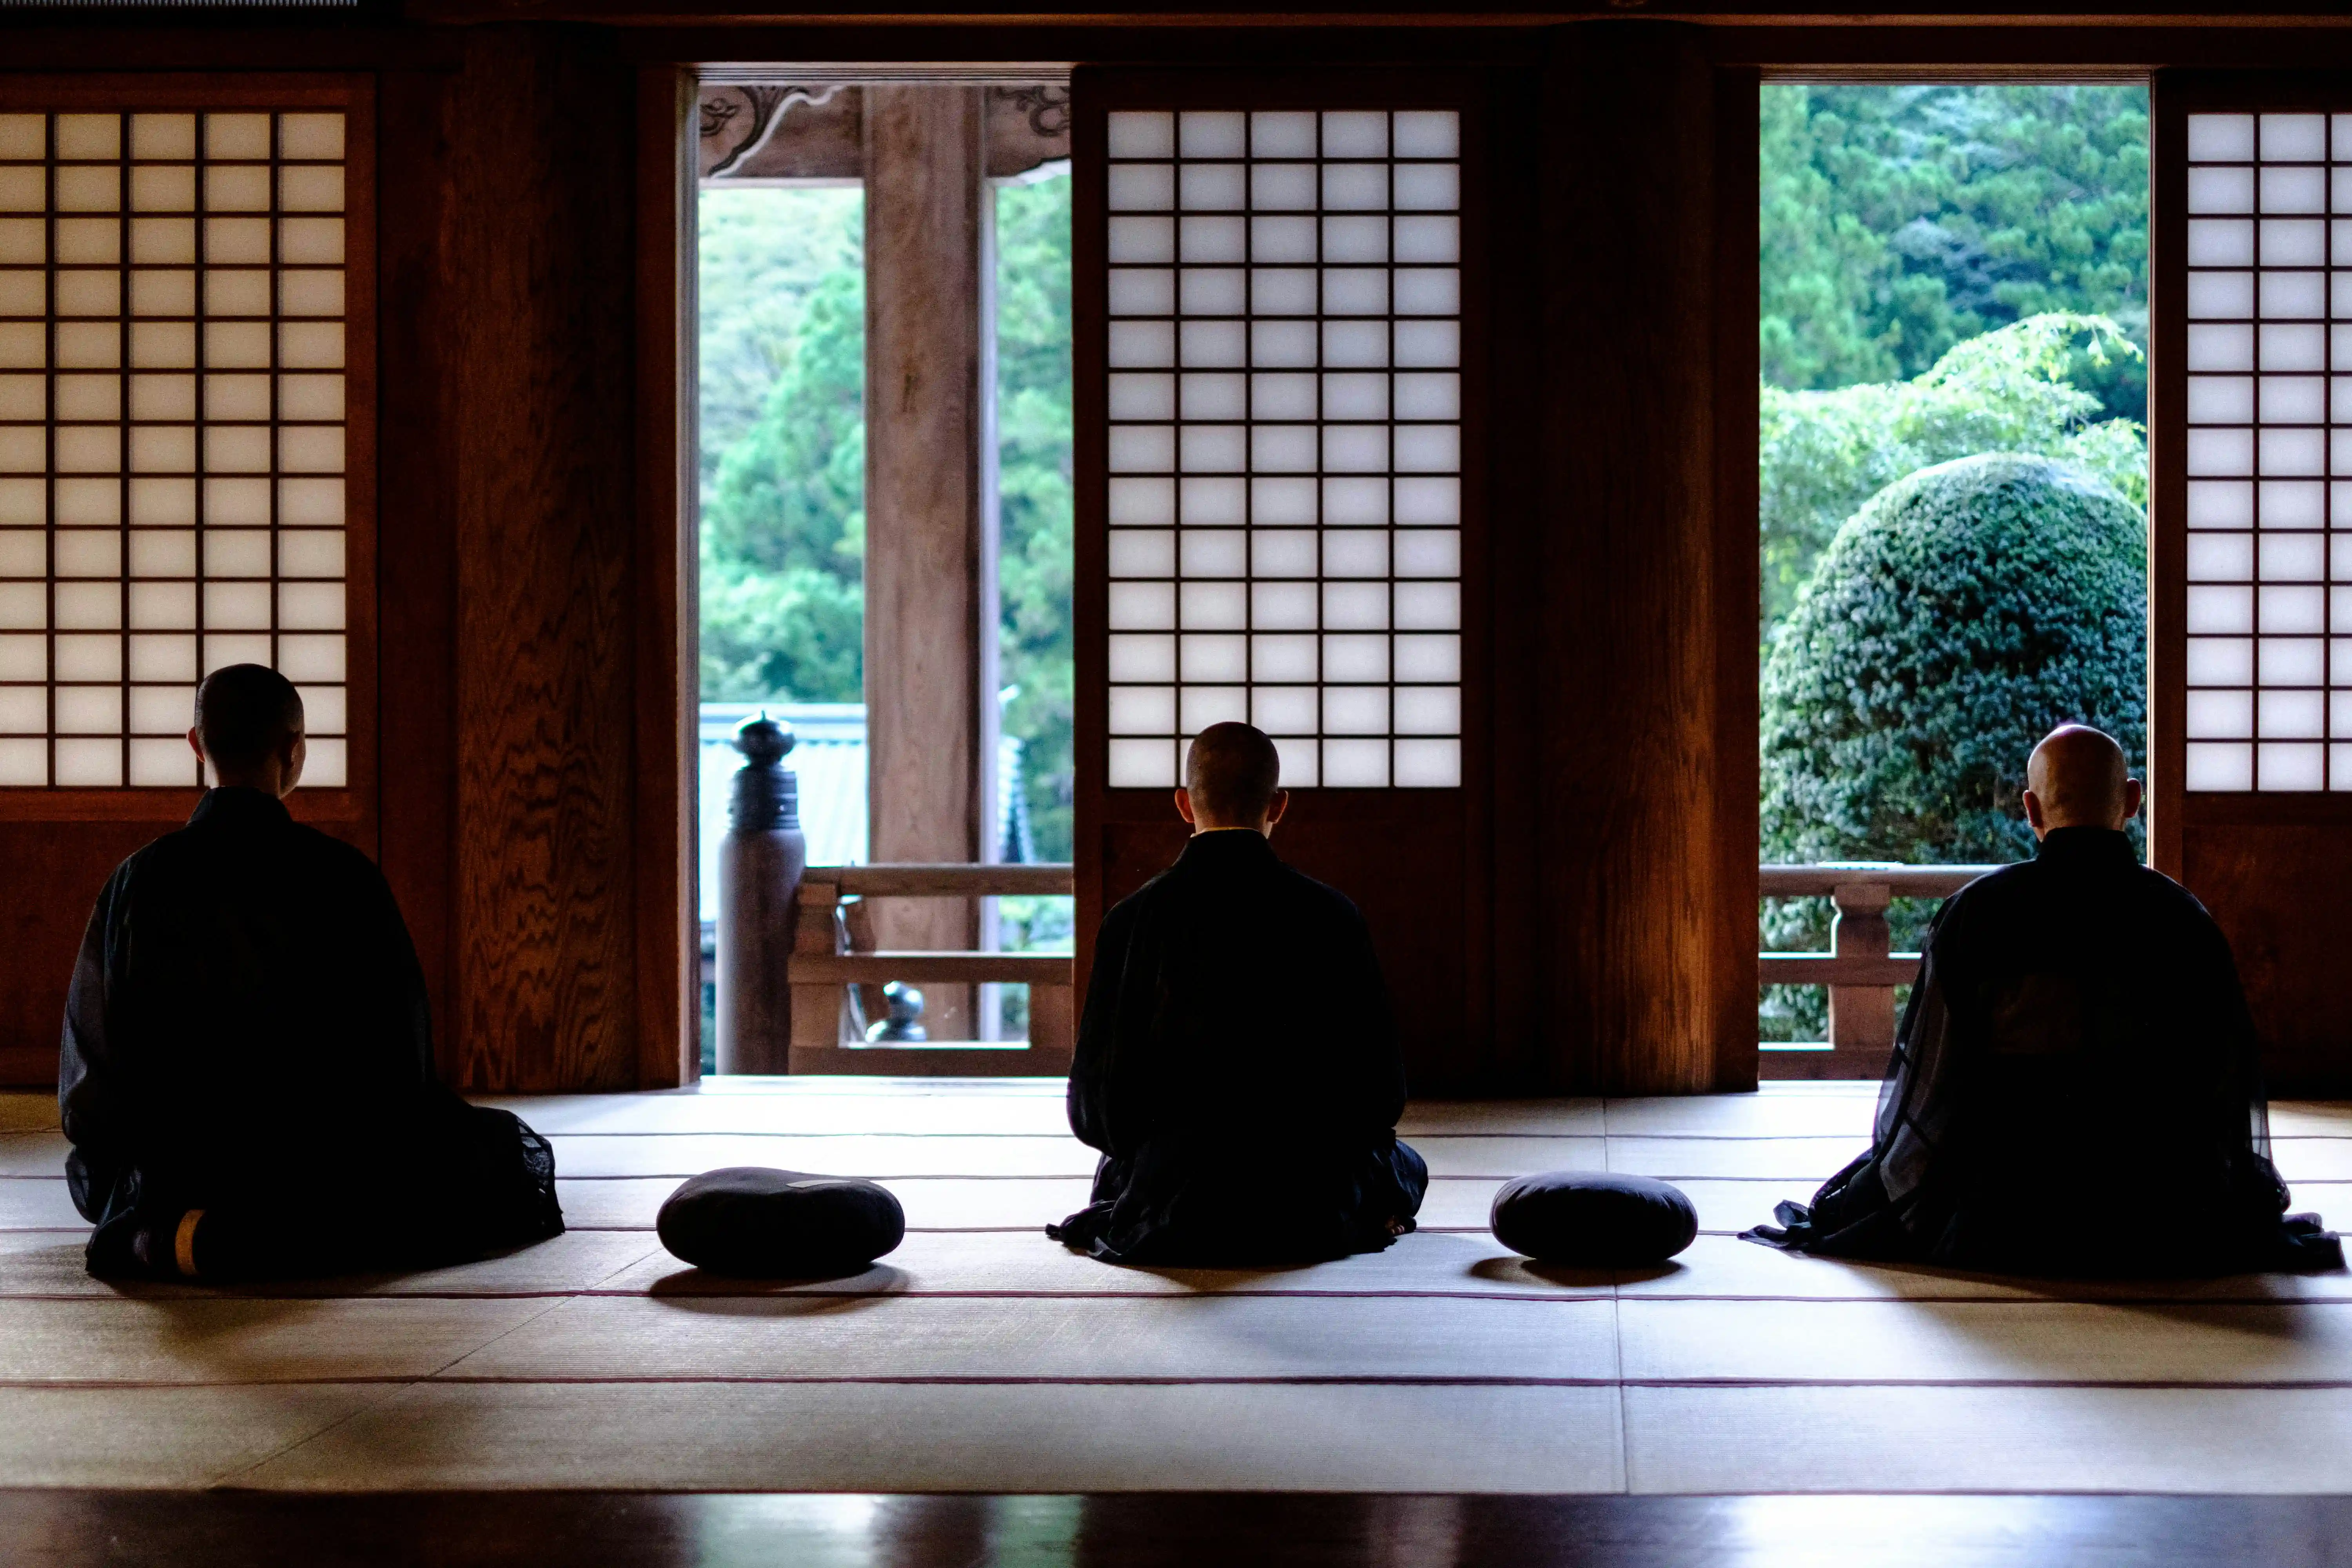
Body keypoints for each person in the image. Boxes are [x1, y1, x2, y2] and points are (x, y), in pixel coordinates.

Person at [1749, 724, 2339, 1276]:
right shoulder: (2183, 920)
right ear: (2133, 801)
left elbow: (1932, 1091)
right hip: (2158, 1213)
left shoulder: (1976, 914)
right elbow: (2223, 1087)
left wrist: (1886, 1185)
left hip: (2004, 1211)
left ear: (2030, 809)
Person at [58, 664, 564, 1281]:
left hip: (178, 1160)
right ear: (295, 750)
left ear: (196, 744)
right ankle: (266, 1233)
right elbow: (402, 1060)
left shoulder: (137, 881)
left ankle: (171, 1233)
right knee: (495, 1156)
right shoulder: (344, 876)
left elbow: (93, 1061)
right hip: (322, 1160)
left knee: (135, 1177)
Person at [1048, 722, 1426, 1265]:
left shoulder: (1131, 921)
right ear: (1279, 805)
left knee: (1119, 1172)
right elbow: (1381, 1100)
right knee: (1406, 1165)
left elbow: (1096, 1113)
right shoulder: (1331, 915)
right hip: (1304, 1198)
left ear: (1183, 804)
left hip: (1178, 1197)